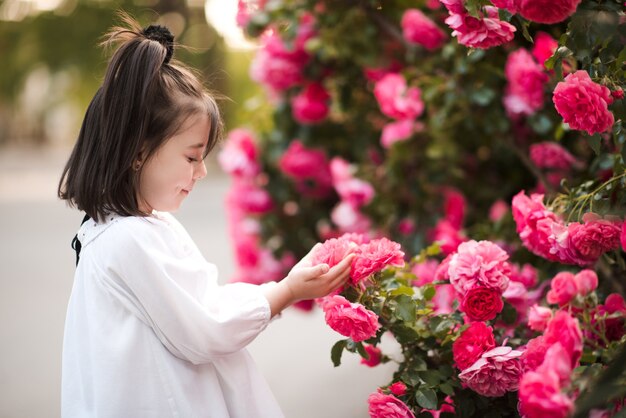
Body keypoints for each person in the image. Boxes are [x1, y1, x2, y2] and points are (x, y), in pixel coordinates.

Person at [57, 13, 354, 418]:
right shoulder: (129, 239)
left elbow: (204, 303)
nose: (201, 171)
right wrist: (286, 291)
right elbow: (207, 328)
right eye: (192, 156)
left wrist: (282, 286)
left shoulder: (131, 228)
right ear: (139, 151)